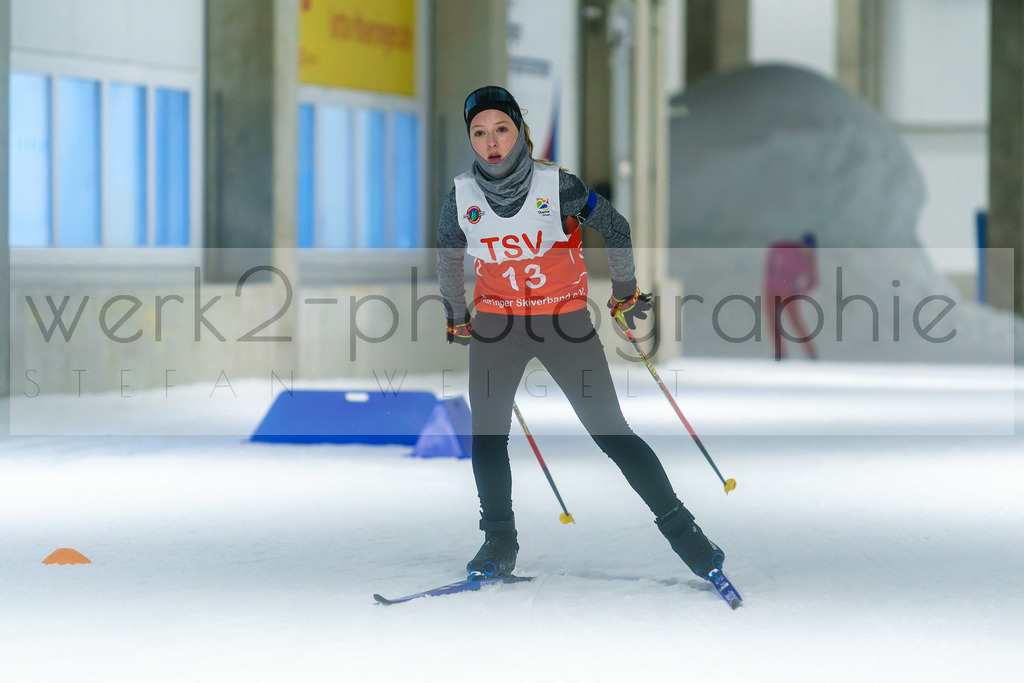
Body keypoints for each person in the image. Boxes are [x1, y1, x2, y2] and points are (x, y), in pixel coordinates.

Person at [435, 85, 725, 581]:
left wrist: (625, 292)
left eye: (501, 129)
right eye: (479, 133)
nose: (491, 143)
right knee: (486, 438)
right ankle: (497, 542)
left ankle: (686, 535)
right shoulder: (463, 194)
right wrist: (457, 313)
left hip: (563, 325)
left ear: (519, 132)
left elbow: (616, 227)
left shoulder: (558, 186)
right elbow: (447, 252)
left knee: (611, 432)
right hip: (498, 328)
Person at [763, 233, 820, 360]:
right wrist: (770, 266)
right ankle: (780, 353)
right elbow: (774, 248)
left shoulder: (809, 259)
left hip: (789, 292)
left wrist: (801, 290)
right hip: (771, 288)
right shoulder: (788, 248)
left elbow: (813, 281)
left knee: (795, 322)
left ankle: (811, 353)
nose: (805, 249)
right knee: (773, 321)